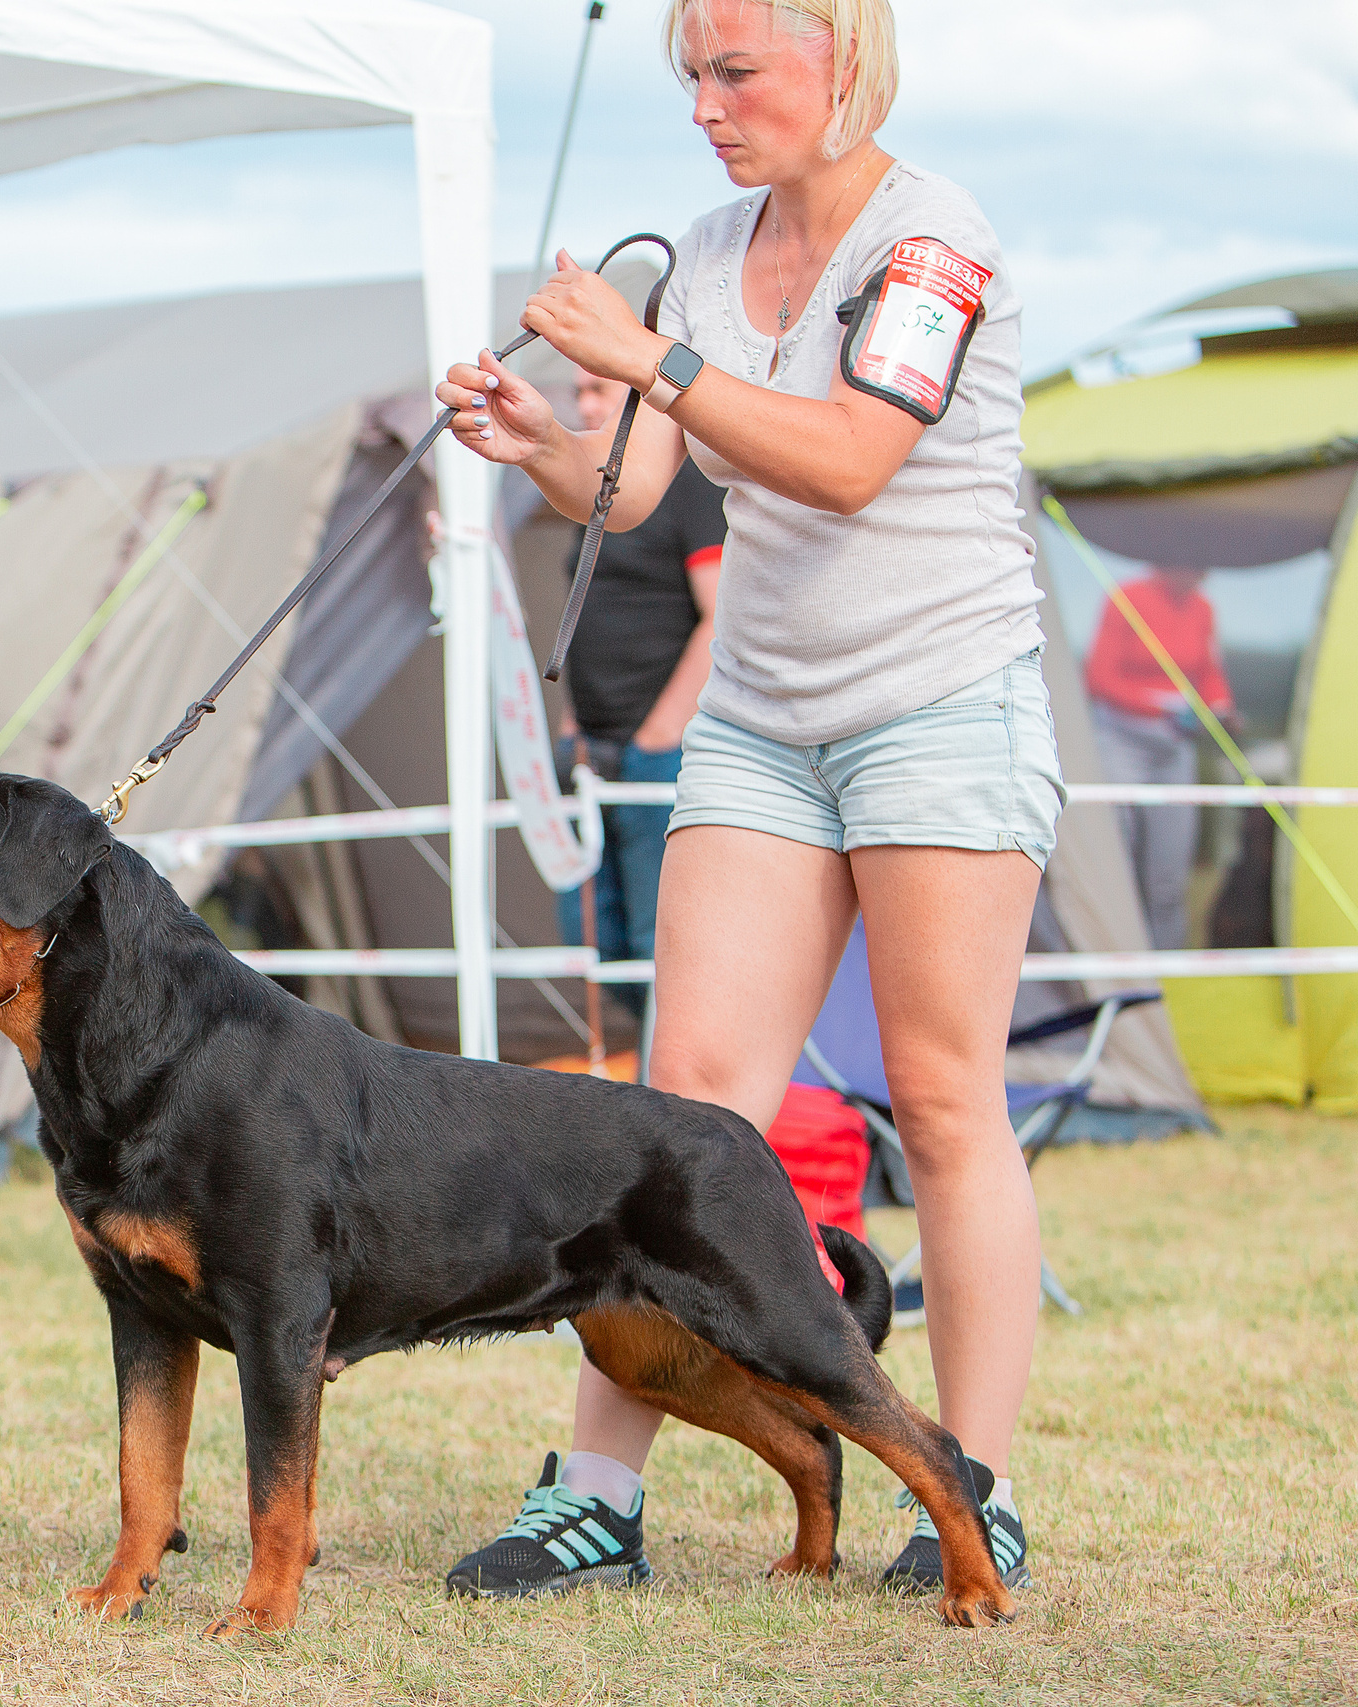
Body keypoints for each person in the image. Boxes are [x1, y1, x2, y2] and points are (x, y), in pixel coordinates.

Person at [434, 0, 1058, 1600]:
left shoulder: (933, 242)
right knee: (685, 1104)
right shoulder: (706, 251)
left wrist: (646, 353)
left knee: (942, 1099)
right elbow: (638, 485)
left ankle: (973, 1490)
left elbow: (847, 458)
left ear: (841, 57)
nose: (706, 107)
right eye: (690, 77)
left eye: (736, 72)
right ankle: (598, 1496)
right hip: (764, 723)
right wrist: (538, 444)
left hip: (942, 702)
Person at [552, 368, 727, 998]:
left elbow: (722, 614)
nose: (584, 405)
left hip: (658, 754)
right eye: (578, 392)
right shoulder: (600, 491)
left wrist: (660, 733)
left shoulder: (691, 485)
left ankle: (664, 1058)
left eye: (598, 389)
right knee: (594, 939)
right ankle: (649, 1050)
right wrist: (572, 725)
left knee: (661, 942)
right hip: (591, 749)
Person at [1085, 565, 1238, 951]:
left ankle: (1165, 966)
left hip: (1174, 749)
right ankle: (1114, 955)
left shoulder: (1202, 608)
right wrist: (1162, 710)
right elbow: (1099, 677)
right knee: (1118, 859)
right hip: (1121, 743)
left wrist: (1219, 708)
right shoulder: (1127, 597)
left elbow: (1209, 673)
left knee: (1169, 873)